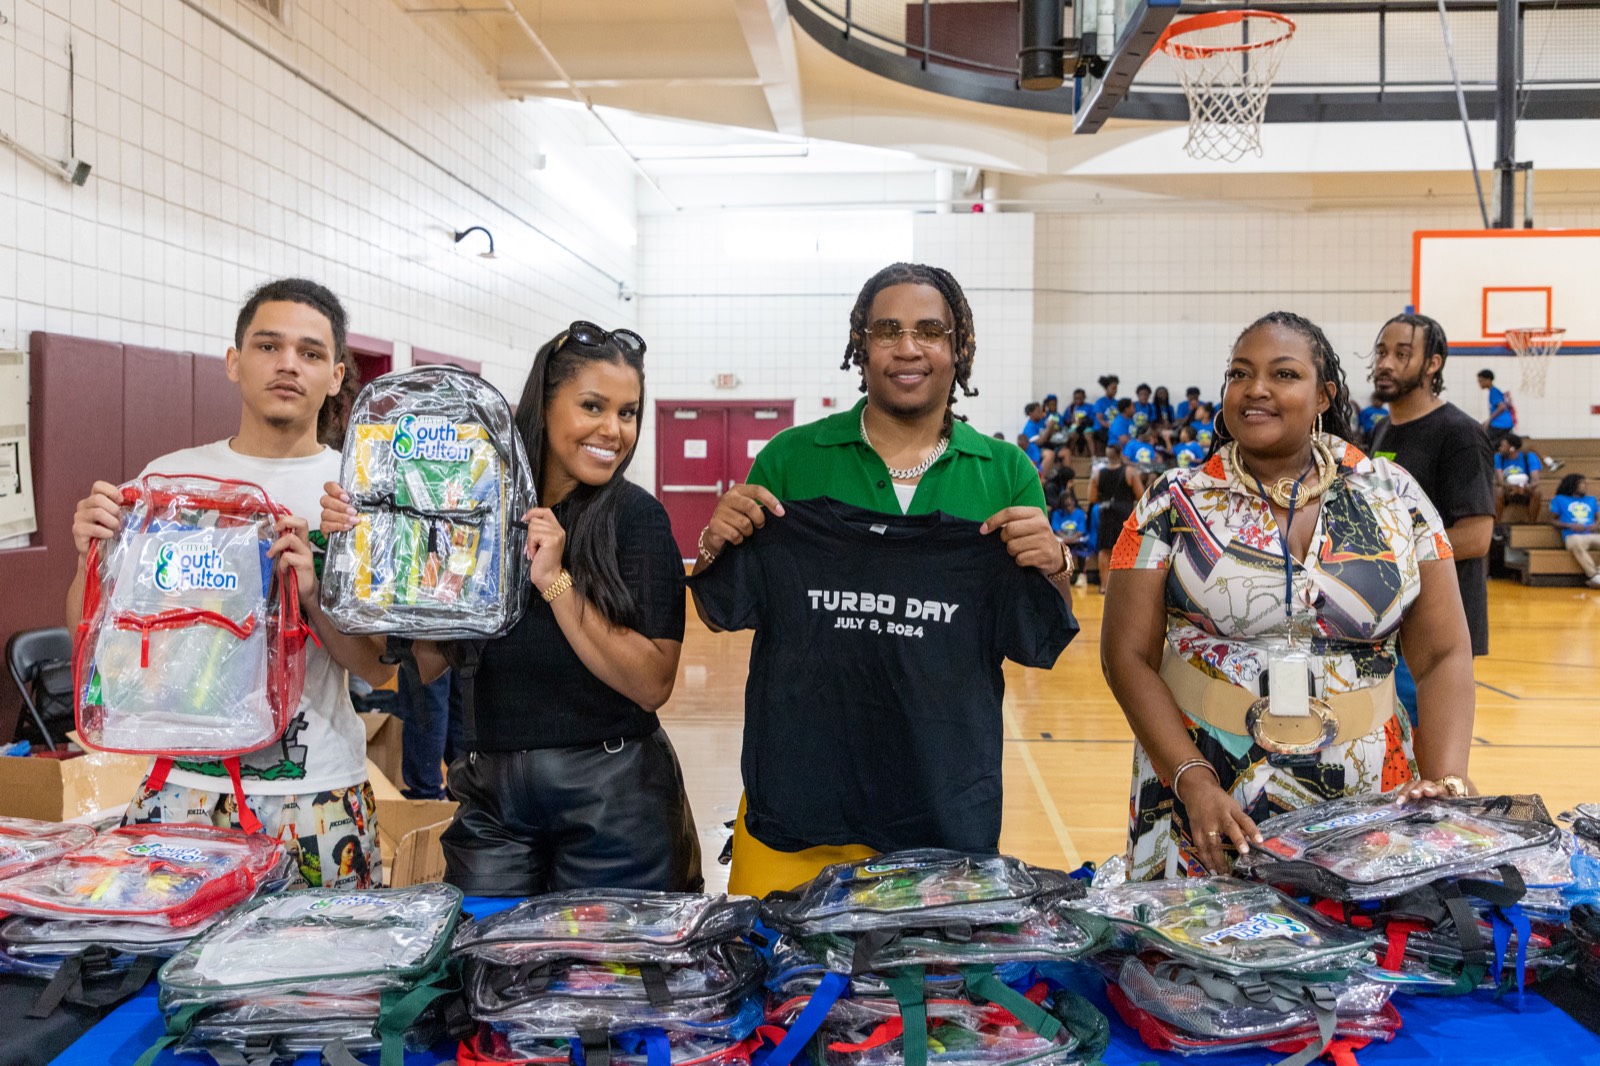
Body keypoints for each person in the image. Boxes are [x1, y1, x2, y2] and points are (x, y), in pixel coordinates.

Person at [688, 261, 1078, 897]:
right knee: (782, 986)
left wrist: (1056, 563)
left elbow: (1039, 636)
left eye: (930, 330)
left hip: (940, 808)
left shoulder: (1003, 470)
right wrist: (714, 540)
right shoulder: (792, 457)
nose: (907, 348)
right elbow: (721, 607)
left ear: (959, 348)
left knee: (924, 994)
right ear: (859, 345)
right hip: (799, 805)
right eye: (886, 330)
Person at [323, 321, 702, 896]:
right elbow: (421, 665)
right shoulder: (474, 506)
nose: (613, 430)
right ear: (544, 406)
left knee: (604, 982)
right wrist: (367, 547)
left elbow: (651, 683)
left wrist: (556, 583)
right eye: (593, 406)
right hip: (491, 799)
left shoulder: (636, 519)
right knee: (488, 972)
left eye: (627, 413)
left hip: (614, 802)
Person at [1102, 311, 1475, 881]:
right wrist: (1192, 779)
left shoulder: (1395, 495)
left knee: (1357, 962)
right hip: (1208, 796)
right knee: (1206, 962)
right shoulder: (1172, 502)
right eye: (1240, 373)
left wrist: (1447, 777)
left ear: (1324, 394)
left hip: (1369, 794)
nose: (1256, 389)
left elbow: (1444, 653)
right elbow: (1125, 656)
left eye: (1283, 374)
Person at [66, 278, 392, 889]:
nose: (288, 364)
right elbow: (94, 647)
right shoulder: (166, 481)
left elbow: (380, 671)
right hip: (180, 790)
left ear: (335, 375)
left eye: (311, 353)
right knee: (167, 977)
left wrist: (315, 595)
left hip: (315, 790)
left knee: (321, 980)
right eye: (268, 346)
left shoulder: (356, 496)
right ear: (234, 362)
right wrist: (90, 557)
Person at [1368, 314, 1494, 681]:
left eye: (1402, 354)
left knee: (1430, 740)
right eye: (1382, 352)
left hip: (1438, 635)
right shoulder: (1382, 428)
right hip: (1391, 626)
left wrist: (1389, 553)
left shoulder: (1460, 434)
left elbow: (1476, 537)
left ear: (1432, 364)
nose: (1386, 363)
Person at [1089, 442, 1142, 595]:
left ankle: (1104, 586)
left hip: (1105, 511)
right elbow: (1140, 495)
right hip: (1124, 512)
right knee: (1126, 549)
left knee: (1104, 550)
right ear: (1121, 454)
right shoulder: (1130, 472)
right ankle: (1124, 587)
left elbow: (1091, 497)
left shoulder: (1098, 473)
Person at [1550, 474, 1600, 588]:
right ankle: (1594, 576)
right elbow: (1552, 520)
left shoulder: (1591, 499)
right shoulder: (1559, 499)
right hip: (1572, 535)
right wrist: (1569, 525)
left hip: (1590, 533)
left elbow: (1598, 520)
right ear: (1573, 485)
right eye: (1582, 483)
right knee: (1577, 543)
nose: (1585, 486)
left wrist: (1595, 525)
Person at [1494, 433, 1544, 524]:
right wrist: (1512, 487)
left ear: (1512, 448)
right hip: (1507, 490)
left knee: (1537, 492)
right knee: (1498, 491)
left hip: (1526, 489)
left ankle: (1531, 523)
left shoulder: (1529, 456)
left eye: (1503, 446)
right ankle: (1497, 524)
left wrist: (1524, 487)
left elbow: (1535, 480)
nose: (1500, 448)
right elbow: (1500, 481)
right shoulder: (1498, 458)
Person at [1478, 368, 1516, 446]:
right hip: (1506, 424)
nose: (1479, 383)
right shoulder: (1494, 391)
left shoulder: (1493, 392)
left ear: (1488, 380)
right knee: (1495, 444)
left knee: (1484, 442)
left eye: (1481, 381)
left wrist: (1489, 420)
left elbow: (1502, 407)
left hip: (1500, 424)